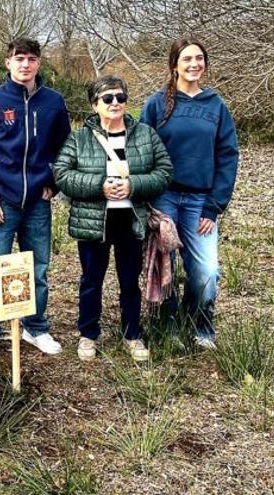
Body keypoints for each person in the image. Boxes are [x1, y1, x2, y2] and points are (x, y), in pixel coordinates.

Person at [54, 75, 173, 361]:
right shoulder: (79, 139)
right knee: (91, 280)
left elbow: (164, 171)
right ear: (94, 105)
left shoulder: (144, 134)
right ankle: (88, 334)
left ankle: (133, 334)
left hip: (131, 220)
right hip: (93, 221)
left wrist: (134, 185)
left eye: (120, 97)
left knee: (129, 281)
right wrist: (100, 186)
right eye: (107, 98)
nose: (115, 103)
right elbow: (62, 174)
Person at [0, 38, 71, 357]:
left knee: (38, 268)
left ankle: (35, 327)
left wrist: (54, 183)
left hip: (38, 201)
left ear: (39, 63)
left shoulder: (53, 102)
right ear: (8, 62)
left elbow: (65, 148)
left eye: (31, 59)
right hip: (3, 200)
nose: (25, 64)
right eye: (19, 58)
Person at [140, 39, 239, 350]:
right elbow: (141, 150)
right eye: (187, 59)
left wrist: (214, 205)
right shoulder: (157, 104)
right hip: (164, 198)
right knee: (165, 265)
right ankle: (167, 325)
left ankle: (199, 324)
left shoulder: (215, 105)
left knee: (206, 272)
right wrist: (146, 197)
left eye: (199, 58)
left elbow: (228, 155)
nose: (194, 64)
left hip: (200, 202)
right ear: (174, 65)